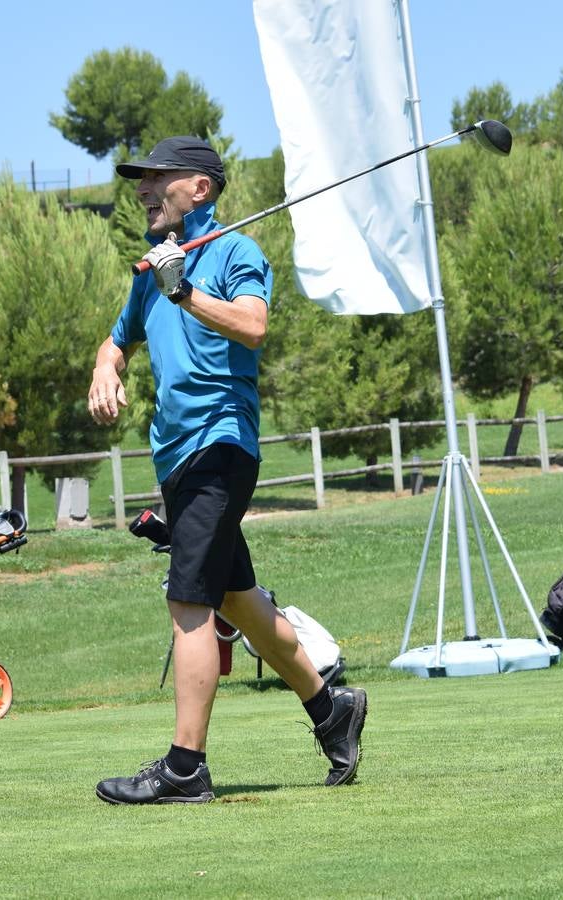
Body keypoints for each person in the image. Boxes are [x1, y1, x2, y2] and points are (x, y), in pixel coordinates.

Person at [87, 136, 368, 804]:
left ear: (201, 189)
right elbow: (117, 338)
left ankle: (186, 768)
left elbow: (253, 325)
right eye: (140, 181)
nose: (144, 190)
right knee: (237, 598)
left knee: (189, 598)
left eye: (160, 179)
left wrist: (183, 291)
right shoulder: (151, 270)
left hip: (222, 446)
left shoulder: (234, 254)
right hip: (177, 460)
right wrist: (106, 364)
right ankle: (333, 711)